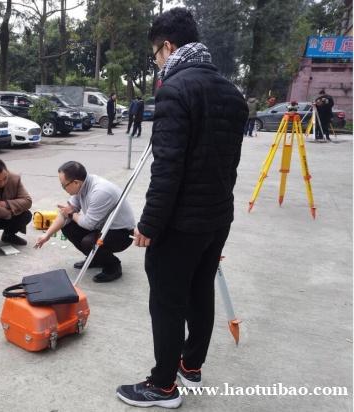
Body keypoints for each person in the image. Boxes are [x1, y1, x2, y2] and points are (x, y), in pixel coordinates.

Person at [116, 8, 247, 408]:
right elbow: (230, 163)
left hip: (181, 223)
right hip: (217, 216)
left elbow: (167, 167)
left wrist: (149, 223)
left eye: (156, 53)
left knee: (167, 301)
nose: (157, 61)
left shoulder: (174, 89)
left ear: (168, 47)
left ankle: (163, 386)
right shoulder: (231, 92)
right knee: (200, 290)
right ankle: (191, 366)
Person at [34, 161, 135, 283]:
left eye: (64, 185)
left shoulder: (100, 192)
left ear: (76, 182)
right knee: (67, 226)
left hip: (121, 233)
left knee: (89, 242)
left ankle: (113, 266)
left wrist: (71, 214)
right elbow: (65, 214)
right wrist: (47, 234)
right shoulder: (81, 186)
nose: (63, 188)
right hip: (101, 227)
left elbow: (88, 224)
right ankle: (95, 258)